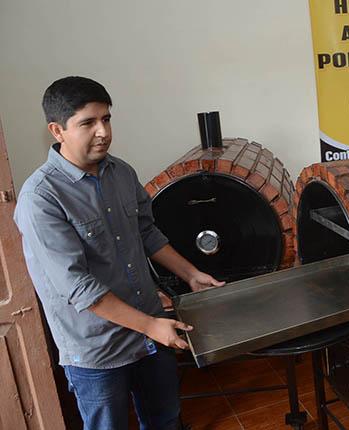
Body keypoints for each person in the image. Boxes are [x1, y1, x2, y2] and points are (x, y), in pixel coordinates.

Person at [14, 76, 224, 430]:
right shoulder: (41, 198)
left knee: (166, 420)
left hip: (151, 329)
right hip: (97, 350)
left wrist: (190, 274)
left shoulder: (121, 172)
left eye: (106, 119)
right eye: (88, 123)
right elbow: (78, 287)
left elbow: (146, 232)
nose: (103, 132)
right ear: (57, 130)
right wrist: (152, 326)